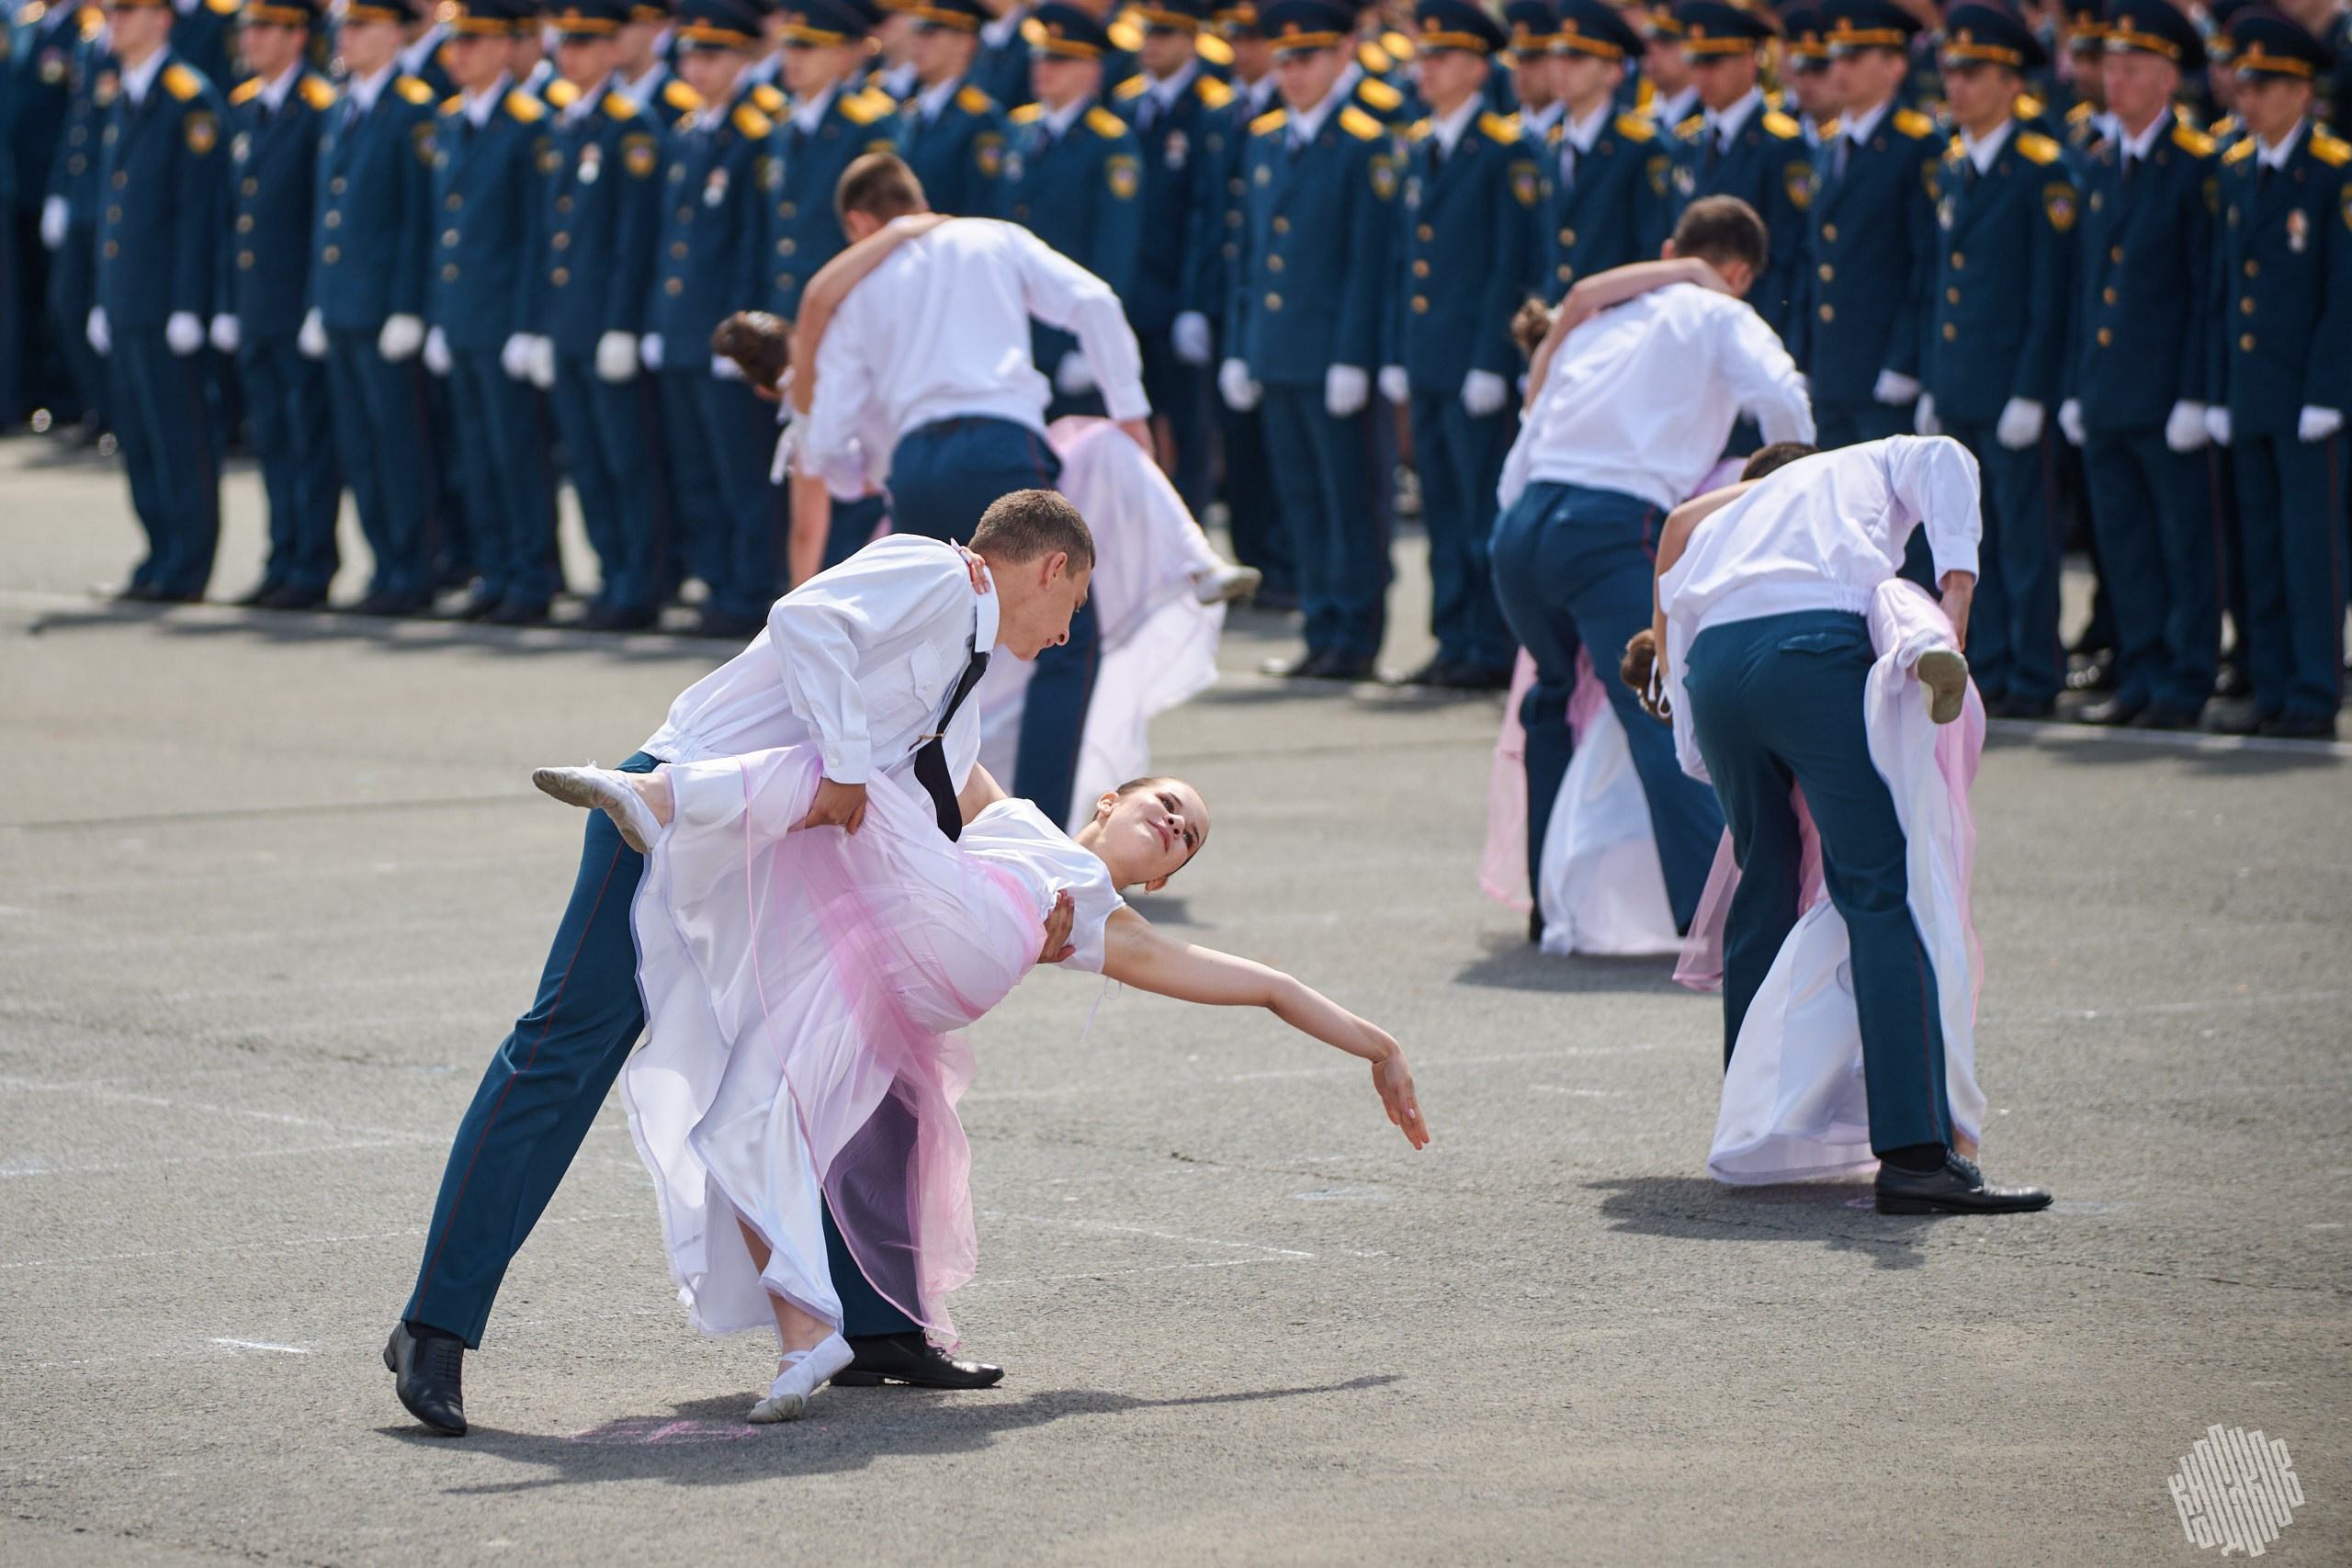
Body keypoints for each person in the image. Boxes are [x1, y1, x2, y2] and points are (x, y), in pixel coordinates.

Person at [384, 500, 1087, 1438]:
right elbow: (803, 621)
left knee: (872, 1051)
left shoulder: (967, 656)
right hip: (673, 821)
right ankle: (433, 1323)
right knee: (563, 1051)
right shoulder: (933, 574)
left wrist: (1052, 873)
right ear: (1046, 568)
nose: (1068, 630)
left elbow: (956, 792)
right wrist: (842, 764)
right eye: (1073, 603)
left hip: (776, 862)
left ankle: (877, 1324)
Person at [533, 751, 1425, 1424]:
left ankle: (815, 1345)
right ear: (1109, 802)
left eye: (1185, 840)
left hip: (875, 1017)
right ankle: (663, 790)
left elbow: (1266, 986)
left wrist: (1377, 1045)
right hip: (829, 953)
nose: (1174, 827)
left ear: (1159, 880)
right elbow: (928, 721)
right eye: (1166, 805)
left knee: (752, 1137)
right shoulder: (1008, 816)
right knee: (734, 1134)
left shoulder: (1104, 925)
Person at [1650, 434, 2052, 1215]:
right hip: (1810, 645)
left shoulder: (1743, 501)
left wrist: (1685, 713)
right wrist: (1957, 593)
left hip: (1720, 663)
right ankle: (1915, 1155)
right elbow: (1947, 457)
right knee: (1879, 889)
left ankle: (1757, 1123)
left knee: (1762, 880)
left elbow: (1673, 558)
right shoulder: (1869, 457)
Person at [785, 152, 1156, 829]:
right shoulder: (991, 236)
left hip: (917, 463)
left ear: (860, 223)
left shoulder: (862, 286)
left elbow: (833, 432)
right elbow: (1095, 302)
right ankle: (1036, 833)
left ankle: (928, 827)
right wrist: (1129, 413)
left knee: (930, 652)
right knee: (1068, 643)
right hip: (1000, 452)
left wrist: (854, 474)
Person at [1498, 202, 1813, 936]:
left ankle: (1552, 908)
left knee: (1549, 703)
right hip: (1608, 526)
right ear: (1739, 276)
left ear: (1673, 248)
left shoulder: (1607, 320)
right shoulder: (1722, 315)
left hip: (1522, 527)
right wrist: (1783, 497)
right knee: (1661, 703)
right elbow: (1783, 400)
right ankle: (1720, 921)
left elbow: (1529, 433)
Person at [1220, 0, 1401, 682]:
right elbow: (1251, 255)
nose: (1293, 72)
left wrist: (1355, 355)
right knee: (1302, 497)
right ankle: (1321, 624)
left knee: (1349, 499)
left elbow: (1367, 260)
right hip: (1280, 348)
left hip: (1332, 353)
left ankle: (1354, 633)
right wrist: (1243, 343)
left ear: (1342, 58)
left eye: (1309, 58)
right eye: (1285, 58)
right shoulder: (1266, 139)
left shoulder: (1363, 142)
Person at [2055, 0, 2219, 732]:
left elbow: (2203, 289)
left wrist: (2194, 391)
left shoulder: (2196, 165)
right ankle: (2143, 667)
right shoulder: (2094, 157)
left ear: (2167, 77)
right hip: (2107, 386)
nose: (2111, 81)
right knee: (2123, 544)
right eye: (2108, 67)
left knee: (2183, 542)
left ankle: (2187, 676)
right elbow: (2084, 284)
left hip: (2165, 392)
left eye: (2129, 69)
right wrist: (2075, 384)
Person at [1916, 2, 2075, 720]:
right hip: (1961, 383)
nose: (1956, 86)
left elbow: (2051, 290)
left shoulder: (2041, 170)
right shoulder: (1954, 164)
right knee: (1968, 542)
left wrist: (2034, 390)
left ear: (2013, 81)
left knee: (2024, 536)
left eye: (1973, 73)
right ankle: (1993, 662)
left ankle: (2035, 668)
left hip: (2012, 384)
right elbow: (1941, 284)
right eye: (1951, 71)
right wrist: (1931, 379)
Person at [1376, 0, 1532, 691]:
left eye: (1440, 57)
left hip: (1474, 359)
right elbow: (1406, 259)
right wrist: (1396, 352)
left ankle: (1489, 643)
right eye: (1422, 56)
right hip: (1431, 356)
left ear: (1476, 65)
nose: (1425, 70)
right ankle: (1452, 637)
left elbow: (1509, 261)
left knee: (1478, 511)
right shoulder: (1420, 143)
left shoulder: (1505, 148)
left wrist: (1493, 359)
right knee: (1443, 510)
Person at [2206, 7, 2350, 740]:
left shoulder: (2333, 173)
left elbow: (2342, 293)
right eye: (2244, 81)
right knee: (2257, 548)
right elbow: (2223, 293)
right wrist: (2217, 388)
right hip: (2252, 391)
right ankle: (2269, 684)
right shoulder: (2235, 170)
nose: (2247, 95)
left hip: (2306, 399)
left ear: (2301, 91)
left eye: (2263, 84)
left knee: (2310, 551)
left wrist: (2327, 392)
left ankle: (2315, 689)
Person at [422, 0, 560, 626]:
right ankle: (495, 568)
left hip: (506, 318)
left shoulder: (529, 123)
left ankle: (533, 575)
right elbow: (441, 229)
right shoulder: (451, 121)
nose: (461, 53)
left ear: (507, 48)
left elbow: (536, 234)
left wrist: (530, 323)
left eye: (476, 41)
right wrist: (435, 316)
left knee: (516, 454)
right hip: (464, 315)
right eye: (456, 42)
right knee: (475, 453)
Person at [640, 0, 777, 640]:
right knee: (696, 469)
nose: (697, 66)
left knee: (739, 472)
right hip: (683, 331)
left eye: (713, 54)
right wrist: (657, 321)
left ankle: (750, 589)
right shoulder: (686, 131)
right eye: (690, 53)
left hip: (726, 338)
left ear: (745, 59)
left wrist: (745, 340)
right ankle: (718, 582)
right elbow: (669, 239)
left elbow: (753, 245)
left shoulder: (754, 136)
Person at [531, 0, 668, 629]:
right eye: (566, 42)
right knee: (585, 460)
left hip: (605, 324)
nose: (572, 54)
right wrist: (539, 323)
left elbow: (632, 241)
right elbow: (549, 236)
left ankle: (638, 581)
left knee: (625, 460)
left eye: (587, 43)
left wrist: (621, 323)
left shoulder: (628, 126)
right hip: (568, 324)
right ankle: (612, 572)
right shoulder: (565, 121)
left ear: (614, 50)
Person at [303, 0, 440, 618]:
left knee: (397, 445)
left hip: (385, 310)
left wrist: (408, 307)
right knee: (361, 447)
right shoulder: (343, 105)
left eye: (358, 27)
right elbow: (326, 217)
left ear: (390, 33)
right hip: (343, 306)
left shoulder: (412, 108)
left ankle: (411, 569)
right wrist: (318, 299)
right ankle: (384, 562)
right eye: (342, 27)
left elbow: (418, 219)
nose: (345, 38)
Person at [89, 0, 228, 604]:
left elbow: (199, 213)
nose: (114, 20)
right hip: (128, 297)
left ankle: (187, 561)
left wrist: (186, 304)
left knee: (178, 436)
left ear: (162, 19)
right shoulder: (125, 93)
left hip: (166, 302)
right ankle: (157, 550)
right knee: (139, 437)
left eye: (127, 9)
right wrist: (104, 294)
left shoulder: (187, 96)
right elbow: (118, 205)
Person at [214, 0, 341, 611]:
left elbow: (323, 218)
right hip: (257, 304)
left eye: (263, 27)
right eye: (246, 27)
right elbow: (232, 219)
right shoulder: (244, 108)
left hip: (297, 307)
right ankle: (281, 555)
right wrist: (224, 301)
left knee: (308, 440)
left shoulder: (318, 109)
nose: (250, 38)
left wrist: (316, 302)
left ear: (296, 35)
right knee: (273, 439)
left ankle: (311, 562)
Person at [1794, 0, 1937, 460]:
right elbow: (1814, 257)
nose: (1840, 69)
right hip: (1832, 364)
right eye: (1835, 57)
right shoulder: (1830, 144)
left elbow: (1924, 262)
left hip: (1883, 369)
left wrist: (1904, 361)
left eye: (1855, 58)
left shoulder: (1917, 144)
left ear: (1894, 66)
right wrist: (1803, 354)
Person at [1113, 0, 1229, 517]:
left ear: (1190, 39)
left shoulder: (1211, 107)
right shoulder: (1125, 103)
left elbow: (1207, 213)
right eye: (1147, 32)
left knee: (1190, 427)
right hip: (1133, 290)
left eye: (1164, 33)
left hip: (1179, 289)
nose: (1150, 43)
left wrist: (1193, 303)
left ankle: (1193, 529)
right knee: (1133, 421)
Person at [1000, 1, 1143, 420]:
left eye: (1060, 60)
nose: (1044, 68)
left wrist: (1091, 342)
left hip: (1069, 326)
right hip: (1018, 326)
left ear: (1092, 70)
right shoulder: (1018, 129)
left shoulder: (1109, 142)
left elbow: (1114, 246)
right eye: (1042, 57)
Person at [1662, 0, 1804, 344]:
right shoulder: (1687, 142)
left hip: (1754, 325)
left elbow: (1788, 256)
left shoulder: (1782, 144)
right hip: (1691, 326)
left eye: (1713, 62)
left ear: (1749, 61)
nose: (1702, 75)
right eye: (1696, 62)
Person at [1541, 0, 1668, 303]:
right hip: (1559, 323)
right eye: (1559, 55)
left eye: (1578, 57)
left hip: (1618, 324)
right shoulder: (1551, 146)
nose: (1562, 67)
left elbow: (1649, 251)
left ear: (1612, 72)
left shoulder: (1642, 147)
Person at [891, 0, 1012, 218]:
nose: (917, 43)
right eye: (917, 33)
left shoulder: (979, 118)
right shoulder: (910, 110)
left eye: (930, 34)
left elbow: (980, 210)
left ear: (965, 43)